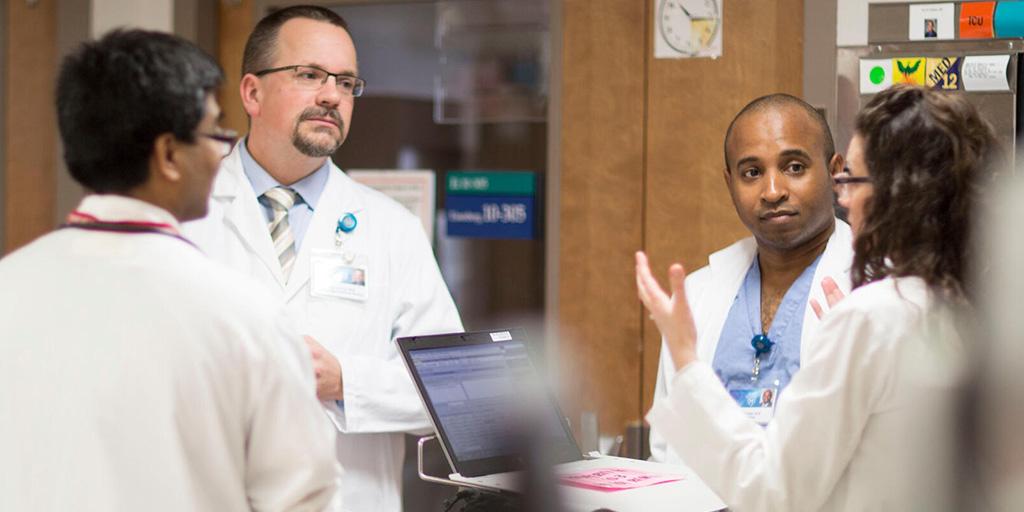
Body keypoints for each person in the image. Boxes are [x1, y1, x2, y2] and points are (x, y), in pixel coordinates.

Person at [0, 30, 340, 511]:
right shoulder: (243, 315)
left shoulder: (8, 288)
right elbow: (303, 499)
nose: (221, 152)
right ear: (168, 155)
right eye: (215, 133)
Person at [637, 84, 999, 510]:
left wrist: (687, 364)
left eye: (853, 180)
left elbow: (773, 493)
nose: (843, 196)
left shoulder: (870, 311)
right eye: (751, 172)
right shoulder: (946, 299)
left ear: (900, 191)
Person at [182, 6, 462, 510]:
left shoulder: (391, 228)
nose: (332, 94)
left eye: (347, 82)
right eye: (309, 74)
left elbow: (450, 388)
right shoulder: (184, 214)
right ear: (252, 92)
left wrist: (344, 381)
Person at [649, 94, 853, 461]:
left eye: (794, 167)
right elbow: (667, 453)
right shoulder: (697, 295)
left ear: (835, 171)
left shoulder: (874, 286)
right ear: (730, 183)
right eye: (752, 173)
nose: (772, 192)